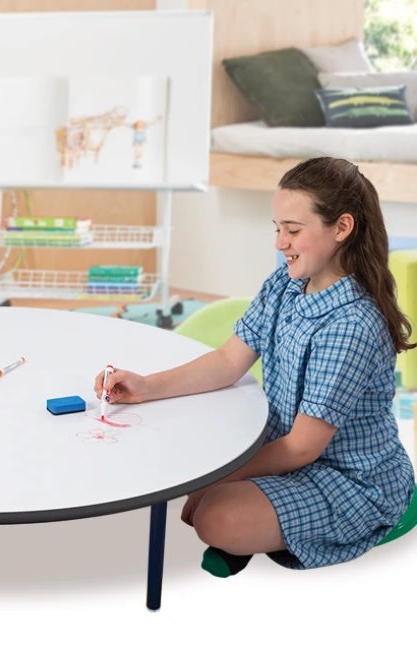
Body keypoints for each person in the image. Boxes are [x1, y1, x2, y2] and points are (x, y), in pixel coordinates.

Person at [96, 157, 415, 577]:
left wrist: (217, 477)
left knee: (213, 517)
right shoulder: (285, 282)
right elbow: (228, 361)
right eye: (277, 228)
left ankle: (275, 526)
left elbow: (303, 447)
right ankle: (255, 519)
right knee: (191, 498)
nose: (280, 243)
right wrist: (145, 386)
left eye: (293, 230)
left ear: (342, 228)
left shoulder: (351, 325)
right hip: (281, 447)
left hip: (347, 478)